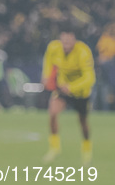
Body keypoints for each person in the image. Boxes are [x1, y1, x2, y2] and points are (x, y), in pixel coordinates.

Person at [41, 29, 96, 165]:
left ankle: (86, 149)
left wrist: (72, 87)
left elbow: (90, 78)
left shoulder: (83, 52)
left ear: (74, 40)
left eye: (69, 42)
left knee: (83, 121)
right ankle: (54, 148)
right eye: (63, 41)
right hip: (62, 88)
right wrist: (46, 75)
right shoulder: (53, 47)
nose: (66, 45)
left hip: (80, 92)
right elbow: (48, 60)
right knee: (52, 113)